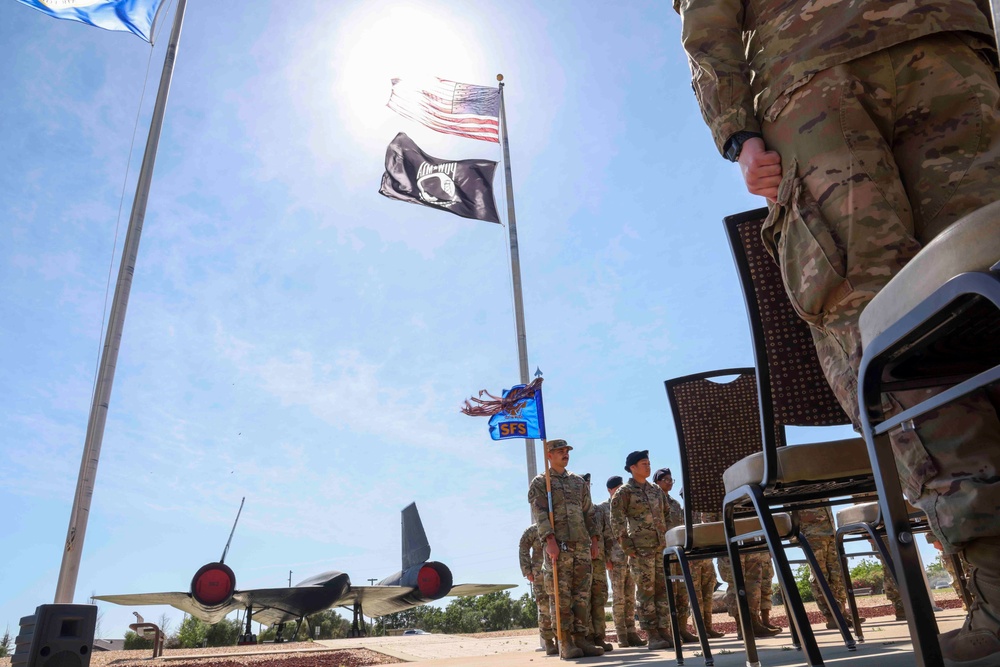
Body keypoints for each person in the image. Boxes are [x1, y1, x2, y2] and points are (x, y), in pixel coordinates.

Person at [674, 0, 1000, 661]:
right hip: (946, 44)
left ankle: (995, 571)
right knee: (985, 279)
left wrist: (738, 132)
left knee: (877, 325)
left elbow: (708, 21)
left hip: (814, 71)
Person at [527, 439, 604, 659]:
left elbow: (589, 512)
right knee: (560, 596)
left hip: (581, 545)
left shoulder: (578, 482)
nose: (565, 454)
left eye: (567, 451)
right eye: (559, 451)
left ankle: (582, 639)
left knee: (581, 595)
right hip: (558, 546)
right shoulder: (542, 482)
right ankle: (565, 642)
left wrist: (595, 540)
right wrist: (549, 539)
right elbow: (539, 513)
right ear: (549, 455)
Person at [611, 451, 674, 650]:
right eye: (644, 463)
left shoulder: (656, 490)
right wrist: (627, 547)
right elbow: (616, 520)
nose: (648, 466)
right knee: (646, 593)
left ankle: (665, 630)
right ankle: (652, 634)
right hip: (640, 550)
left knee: (662, 591)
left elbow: (666, 514)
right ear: (633, 467)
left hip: (660, 548)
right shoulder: (624, 492)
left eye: (649, 463)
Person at [696, 510, 780, 639]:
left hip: (751, 540)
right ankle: (742, 626)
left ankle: (754, 622)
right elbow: (709, 523)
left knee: (754, 583)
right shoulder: (714, 494)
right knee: (736, 583)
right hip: (729, 543)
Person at [653, 468, 697, 643]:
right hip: (662, 552)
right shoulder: (654, 500)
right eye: (666, 480)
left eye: (672, 480)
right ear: (657, 482)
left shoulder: (676, 504)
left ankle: (681, 628)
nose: (670, 482)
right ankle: (669, 631)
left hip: (678, 552)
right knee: (667, 592)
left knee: (681, 593)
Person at [602, 475, 646, 648]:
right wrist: (606, 559)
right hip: (615, 559)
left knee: (630, 597)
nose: (620, 491)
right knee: (619, 598)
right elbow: (601, 535)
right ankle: (621, 634)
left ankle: (631, 633)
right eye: (617, 488)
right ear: (610, 490)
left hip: (630, 558)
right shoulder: (602, 509)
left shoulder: (627, 506)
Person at [796, 508, 851, 629]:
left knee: (838, 573)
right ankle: (831, 616)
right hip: (812, 533)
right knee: (820, 575)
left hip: (830, 531)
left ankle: (842, 612)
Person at [585, 473, 614, 651]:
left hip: (599, 561)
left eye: (588, 485)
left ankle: (599, 637)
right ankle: (586, 637)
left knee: (599, 598)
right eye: (583, 484)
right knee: (584, 600)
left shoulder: (598, 511)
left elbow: (607, 536)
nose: (586, 487)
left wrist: (608, 557)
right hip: (582, 561)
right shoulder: (574, 511)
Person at [518, 523, 556, 654]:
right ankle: (549, 642)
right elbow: (523, 546)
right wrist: (527, 570)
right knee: (544, 609)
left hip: (557, 573)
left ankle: (561, 638)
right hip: (539, 575)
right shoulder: (533, 530)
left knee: (559, 607)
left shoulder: (557, 524)